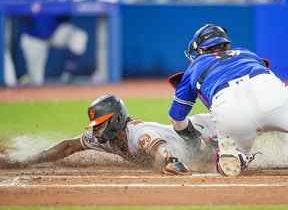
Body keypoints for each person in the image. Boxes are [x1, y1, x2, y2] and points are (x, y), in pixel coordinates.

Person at [168, 23, 288, 176]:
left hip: (231, 108)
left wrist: (191, 137)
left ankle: (235, 155)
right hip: (271, 93)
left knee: (230, 155)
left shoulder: (195, 67)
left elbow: (176, 117)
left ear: (201, 49)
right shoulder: (247, 53)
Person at [0, 95, 217, 175]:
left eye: (101, 124)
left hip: (203, 131)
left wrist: (169, 161)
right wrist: (31, 159)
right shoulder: (104, 138)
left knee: (244, 131)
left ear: (116, 120)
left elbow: (159, 149)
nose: (96, 130)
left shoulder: (138, 133)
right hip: (199, 147)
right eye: (95, 125)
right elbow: (68, 146)